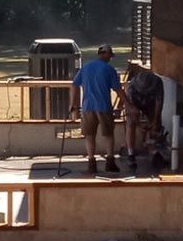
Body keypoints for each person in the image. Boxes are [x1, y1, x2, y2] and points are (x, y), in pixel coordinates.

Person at [70, 44, 123, 175]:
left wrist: (73, 104)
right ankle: (110, 162)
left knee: (89, 136)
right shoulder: (109, 69)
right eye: (110, 55)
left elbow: (74, 84)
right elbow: (117, 89)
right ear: (105, 54)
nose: (110, 58)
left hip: (88, 107)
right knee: (108, 134)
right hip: (104, 106)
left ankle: (91, 164)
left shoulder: (86, 67)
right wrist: (127, 103)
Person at [122, 61, 164, 168]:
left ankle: (153, 150)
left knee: (155, 124)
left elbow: (159, 103)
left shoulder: (158, 82)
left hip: (150, 104)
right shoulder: (132, 87)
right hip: (136, 104)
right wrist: (139, 125)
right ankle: (131, 154)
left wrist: (155, 121)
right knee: (130, 123)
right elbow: (132, 109)